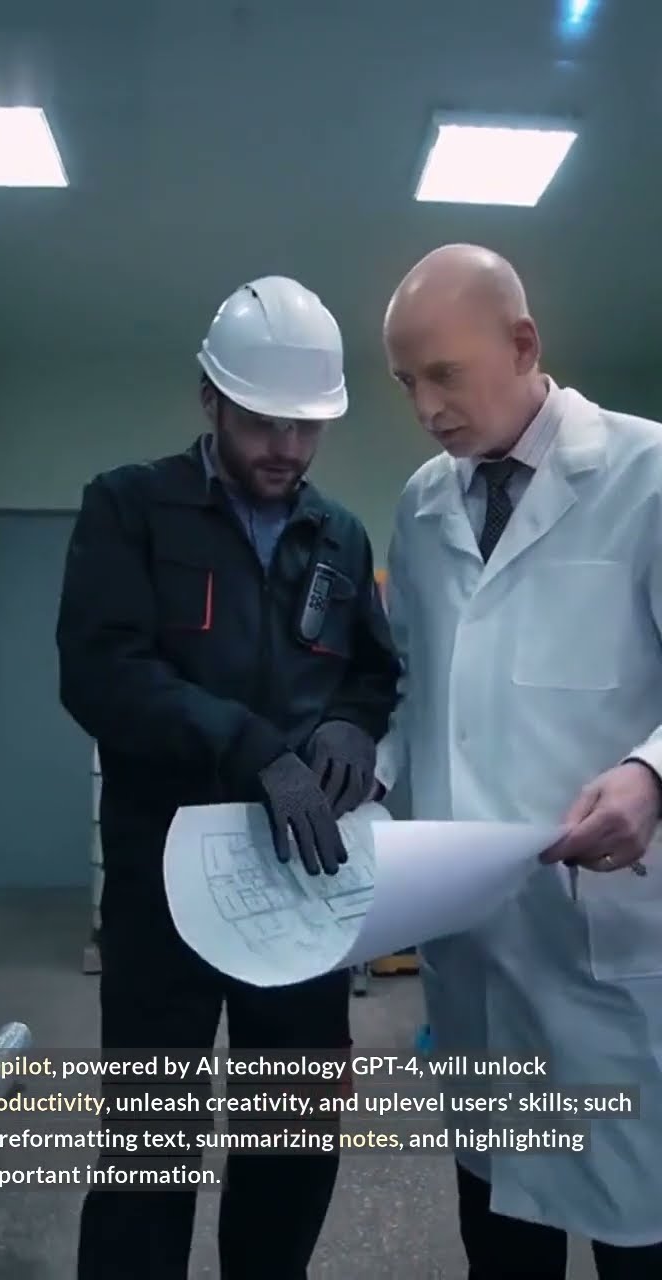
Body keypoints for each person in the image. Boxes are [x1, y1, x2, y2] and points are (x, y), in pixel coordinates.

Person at [56, 275, 400, 1279]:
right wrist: (254, 747)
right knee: (150, 1142)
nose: (286, 448)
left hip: (299, 882)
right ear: (211, 398)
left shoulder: (340, 535)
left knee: (291, 1135)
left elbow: (373, 671)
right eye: (262, 422)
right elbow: (102, 674)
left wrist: (352, 725)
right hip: (161, 878)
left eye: (307, 427)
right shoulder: (130, 507)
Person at [375, 243, 662, 1279]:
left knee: (639, 1237)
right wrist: (370, 785)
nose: (426, 408)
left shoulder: (647, 474)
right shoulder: (420, 506)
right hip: (478, 952)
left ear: (524, 343)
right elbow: (412, 688)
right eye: (406, 383)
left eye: (445, 374)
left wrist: (652, 775)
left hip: (611, 941)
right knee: (500, 1244)